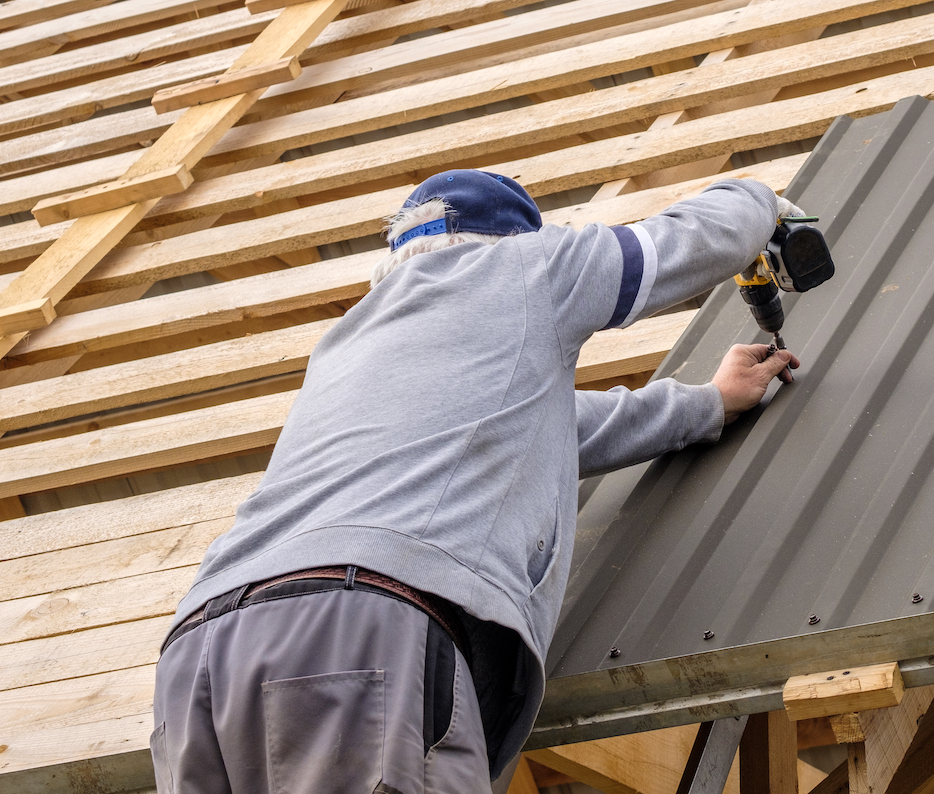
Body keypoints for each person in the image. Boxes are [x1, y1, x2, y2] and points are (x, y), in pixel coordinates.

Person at [150, 169, 802, 794]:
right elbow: (693, 240)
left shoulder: (351, 344)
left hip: (198, 656)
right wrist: (759, 200)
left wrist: (709, 402)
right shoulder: (530, 267)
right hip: (354, 628)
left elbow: (557, 428)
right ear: (513, 239)